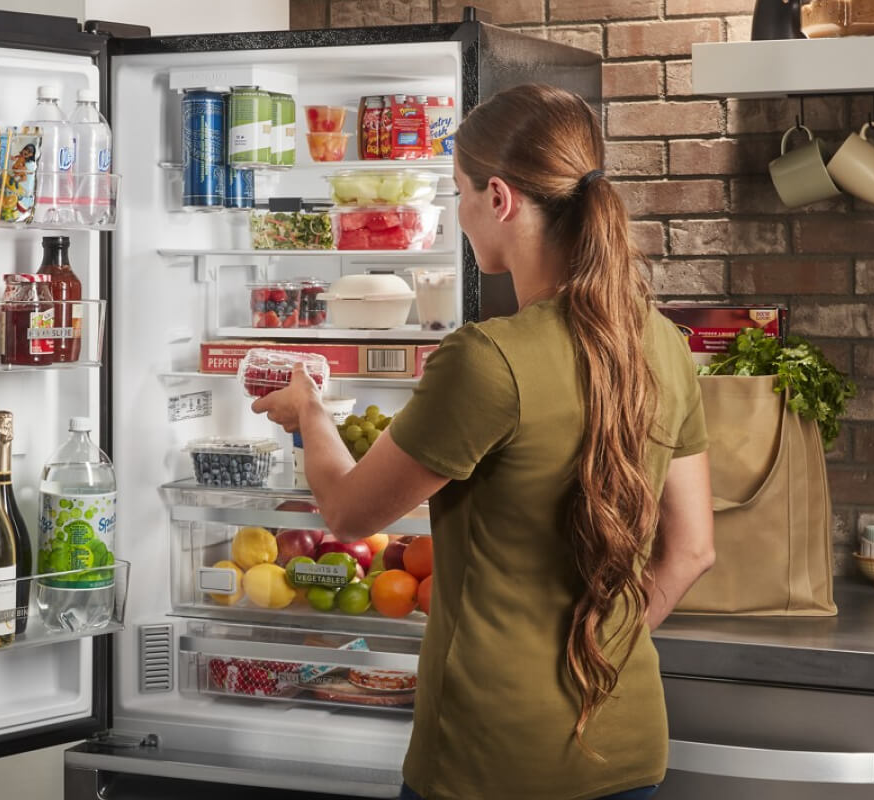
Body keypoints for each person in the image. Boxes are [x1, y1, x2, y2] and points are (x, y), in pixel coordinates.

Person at [251, 84, 716, 800]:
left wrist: (309, 413)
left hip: (492, 760)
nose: (459, 213)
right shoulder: (663, 343)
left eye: (459, 191)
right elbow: (691, 551)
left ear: (499, 199)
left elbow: (347, 513)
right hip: (626, 748)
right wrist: (603, 642)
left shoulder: (488, 360)